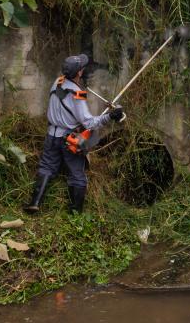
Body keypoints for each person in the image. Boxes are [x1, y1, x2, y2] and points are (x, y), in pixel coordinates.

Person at [24, 54, 124, 214]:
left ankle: (34, 202)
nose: (84, 69)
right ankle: (76, 212)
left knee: (46, 167)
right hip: (68, 140)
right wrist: (110, 116)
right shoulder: (78, 94)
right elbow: (89, 123)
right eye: (82, 68)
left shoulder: (58, 82)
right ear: (78, 73)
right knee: (77, 174)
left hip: (52, 135)